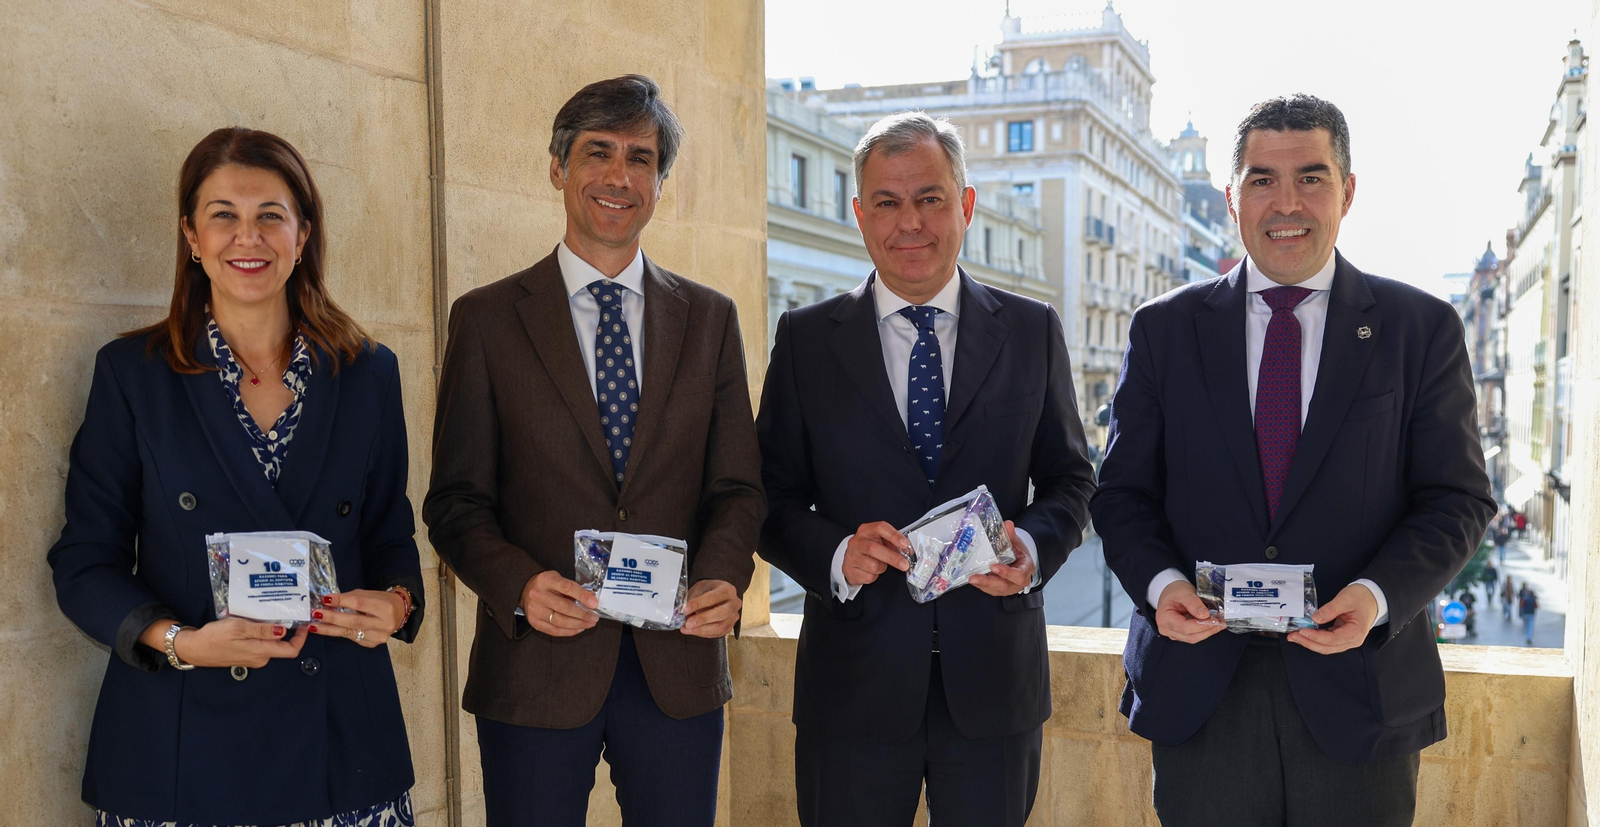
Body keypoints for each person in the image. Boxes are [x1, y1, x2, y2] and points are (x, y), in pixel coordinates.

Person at [1092, 95, 1495, 827]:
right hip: (1201, 694)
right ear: (1230, 197)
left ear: (1347, 191)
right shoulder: (1163, 329)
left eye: (1311, 178)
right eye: (1261, 180)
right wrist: (1161, 584)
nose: (1286, 203)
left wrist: (1374, 596)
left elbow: (1458, 498)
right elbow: (1120, 494)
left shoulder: (1420, 329)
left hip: (1358, 694)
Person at [47, 127, 425, 826]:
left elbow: (388, 530)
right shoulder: (133, 377)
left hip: (340, 752)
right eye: (223, 214)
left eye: (269, 216)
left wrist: (398, 601)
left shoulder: (369, 372)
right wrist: (179, 642)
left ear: (302, 233)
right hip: (182, 754)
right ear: (191, 234)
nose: (246, 237)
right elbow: (84, 561)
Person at [422, 75, 764, 827]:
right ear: (558, 167)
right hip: (536, 668)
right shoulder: (485, 321)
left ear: (660, 182)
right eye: (597, 152)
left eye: (640, 158)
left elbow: (738, 487)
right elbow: (454, 501)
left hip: (676, 666)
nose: (618, 175)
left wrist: (722, 576)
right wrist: (519, 585)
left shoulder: (709, 320)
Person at [757, 111, 1097, 827]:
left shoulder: (1033, 330)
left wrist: (1030, 549)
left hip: (994, 687)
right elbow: (768, 496)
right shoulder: (806, 340)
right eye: (886, 201)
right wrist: (837, 554)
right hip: (852, 690)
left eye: (930, 198)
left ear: (965, 205)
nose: (909, 221)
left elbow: (1070, 477)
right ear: (859, 215)